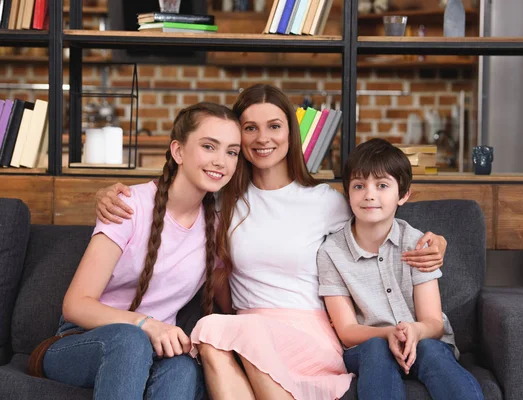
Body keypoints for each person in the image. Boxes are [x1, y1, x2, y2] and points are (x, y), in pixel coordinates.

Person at [95, 84, 449, 400]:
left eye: (274, 126)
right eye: (250, 128)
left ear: (290, 134)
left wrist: (437, 243)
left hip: (307, 333)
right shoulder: (221, 200)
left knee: (215, 329)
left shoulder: (324, 201)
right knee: (212, 335)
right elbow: (170, 199)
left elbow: (380, 223)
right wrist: (108, 194)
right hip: (246, 329)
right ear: (239, 139)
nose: (263, 138)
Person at [41, 103, 242, 399]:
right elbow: (76, 305)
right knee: (131, 340)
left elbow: (234, 304)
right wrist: (148, 326)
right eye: (209, 146)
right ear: (178, 151)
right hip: (84, 342)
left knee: (183, 368)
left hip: (156, 352)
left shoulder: (216, 230)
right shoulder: (127, 205)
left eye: (232, 152)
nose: (221, 161)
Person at [317, 138, 483, 400]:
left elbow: (433, 323)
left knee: (431, 349)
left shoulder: (417, 243)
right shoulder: (331, 252)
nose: (369, 194)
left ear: (403, 195)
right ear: (348, 194)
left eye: (382, 185)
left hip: (424, 341)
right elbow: (347, 332)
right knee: (375, 349)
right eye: (359, 186)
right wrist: (389, 333)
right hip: (368, 346)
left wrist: (414, 331)